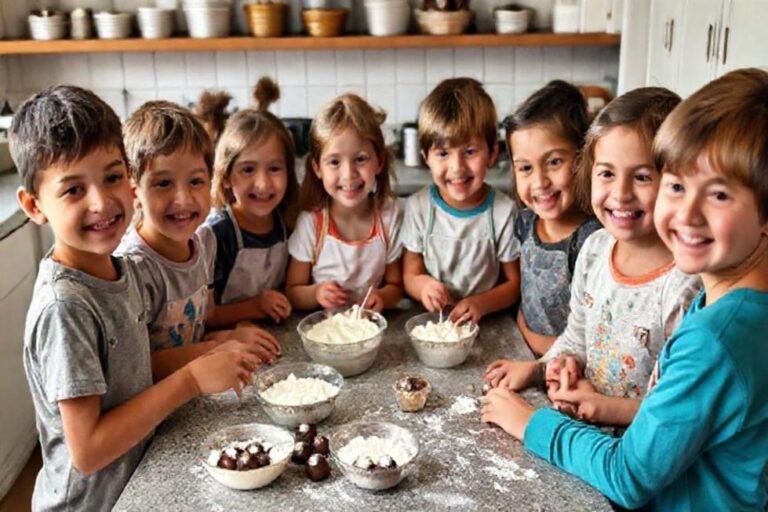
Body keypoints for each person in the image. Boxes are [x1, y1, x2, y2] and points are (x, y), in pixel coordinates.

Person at [481, 68, 768, 510]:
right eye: (677, 186)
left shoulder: (714, 336)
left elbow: (629, 475)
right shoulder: (723, 305)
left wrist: (530, 422)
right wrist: (552, 371)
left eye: (719, 195)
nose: (686, 214)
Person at [11, 85, 258, 511]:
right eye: (73, 190)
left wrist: (212, 350)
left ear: (127, 179)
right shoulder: (66, 307)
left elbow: (135, 371)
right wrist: (192, 379)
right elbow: (88, 451)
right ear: (34, 205)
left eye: (110, 178)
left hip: (136, 483)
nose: (102, 202)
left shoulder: (117, 270)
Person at [487, 87, 701, 427]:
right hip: (586, 427)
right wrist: (549, 367)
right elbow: (577, 337)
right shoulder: (595, 250)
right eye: (607, 173)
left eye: (642, 176)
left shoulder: (685, 286)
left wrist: (600, 407)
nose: (621, 194)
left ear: (677, 182)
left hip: (632, 448)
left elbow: (678, 411)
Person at [117, 100, 281, 366]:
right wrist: (217, 347)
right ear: (134, 193)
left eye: (196, 181)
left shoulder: (204, 242)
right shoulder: (132, 269)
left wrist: (231, 335)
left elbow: (205, 317)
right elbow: (136, 368)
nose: (183, 200)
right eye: (164, 183)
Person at [401, 78, 520, 324]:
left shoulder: (503, 212)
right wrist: (424, 286)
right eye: (443, 153)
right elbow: (410, 275)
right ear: (426, 157)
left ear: (492, 153)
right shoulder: (418, 207)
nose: (457, 167)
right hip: (434, 324)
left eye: (470, 151)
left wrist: (481, 304)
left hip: (487, 323)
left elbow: (514, 283)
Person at [503, 80, 601, 356]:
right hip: (521, 354)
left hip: (568, 368)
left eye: (554, 162)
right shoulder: (525, 223)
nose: (539, 182)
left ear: (583, 158)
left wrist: (530, 340)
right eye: (525, 168)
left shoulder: (593, 240)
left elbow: (593, 340)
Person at [285, 93, 403, 312]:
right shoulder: (311, 223)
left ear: (379, 161)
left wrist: (383, 298)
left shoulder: (389, 216)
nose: (349, 174)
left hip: (371, 326)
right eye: (334, 162)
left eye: (360, 159)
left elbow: (396, 285)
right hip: (326, 328)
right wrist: (316, 293)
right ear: (317, 168)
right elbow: (293, 291)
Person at [206, 77, 299, 326]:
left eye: (274, 169)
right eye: (248, 170)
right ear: (226, 176)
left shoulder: (288, 222)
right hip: (227, 339)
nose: (263, 184)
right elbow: (205, 315)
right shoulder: (217, 235)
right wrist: (256, 306)